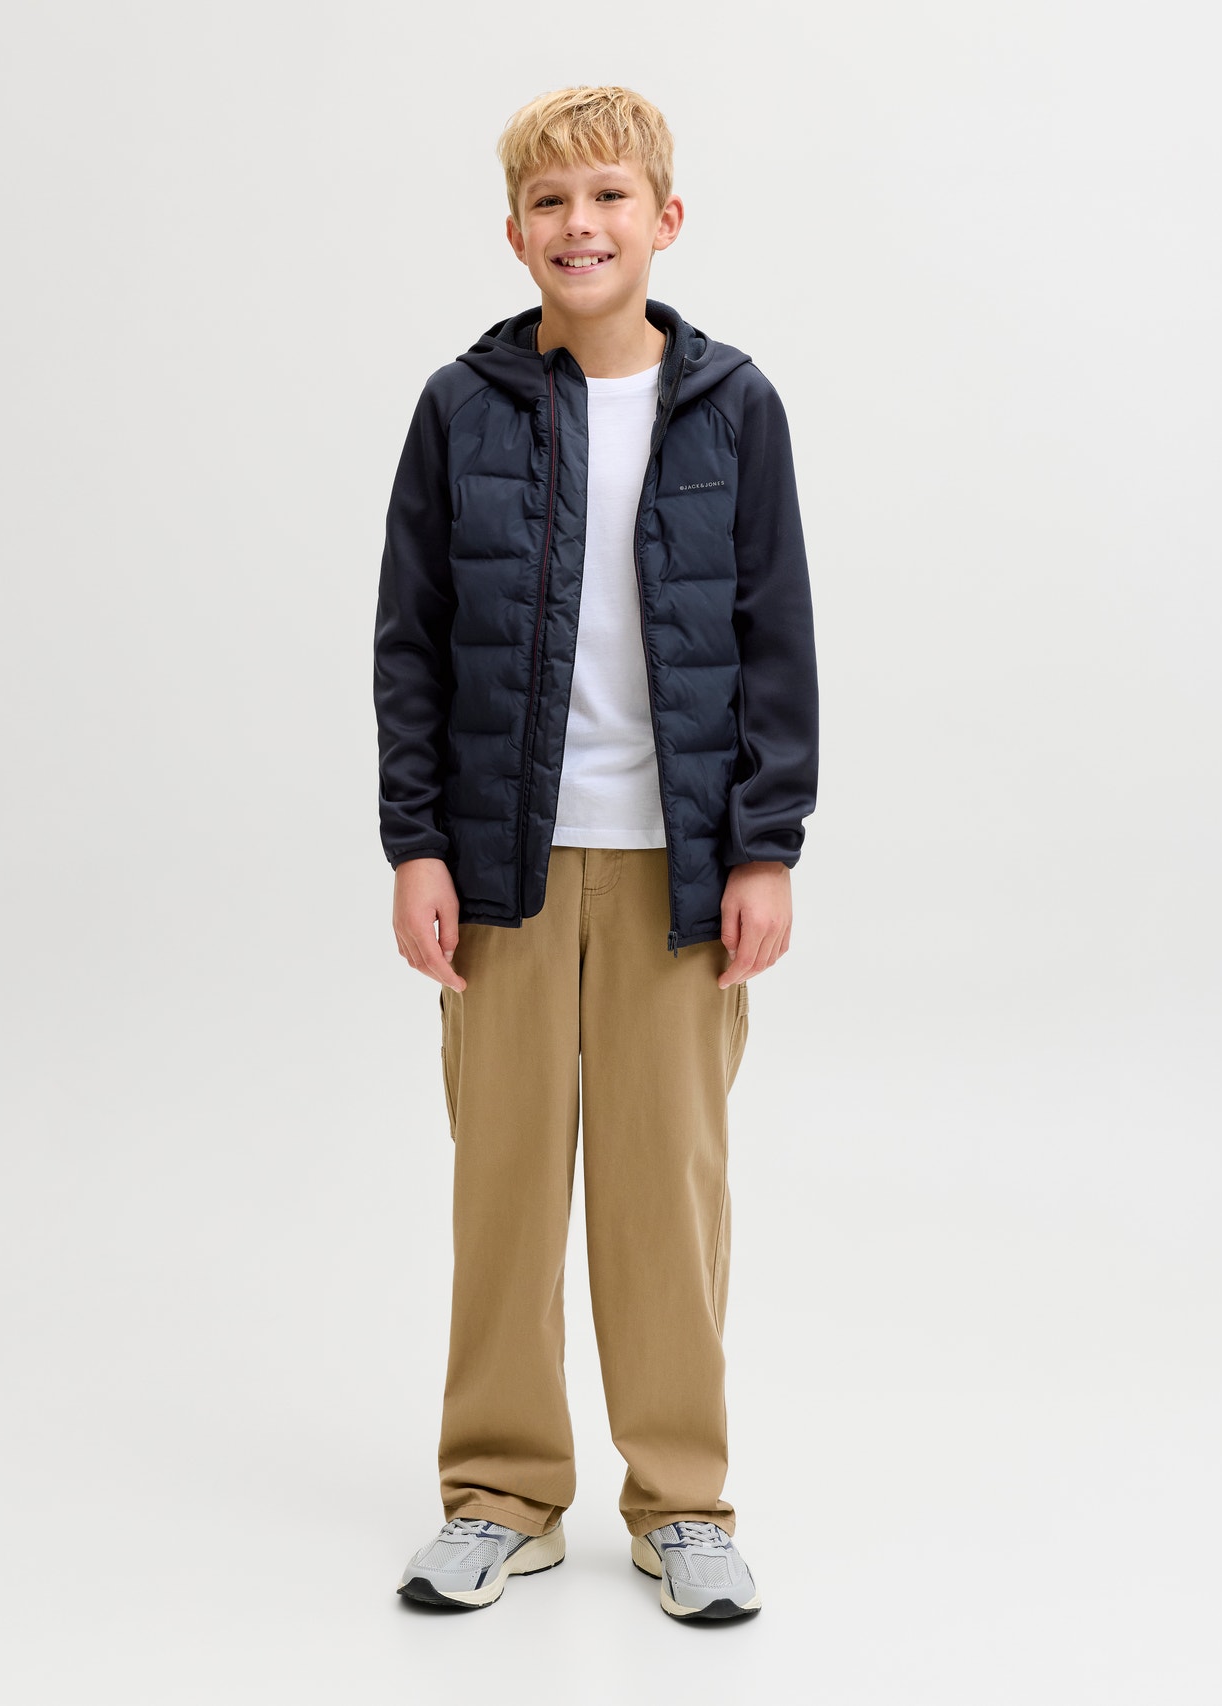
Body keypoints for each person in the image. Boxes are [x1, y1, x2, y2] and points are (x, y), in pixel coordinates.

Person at [373, 84, 818, 1621]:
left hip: (679, 875)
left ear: (664, 219)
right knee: (502, 1190)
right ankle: (499, 1493)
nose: (582, 225)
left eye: (610, 196)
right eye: (551, 202)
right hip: (502, 866)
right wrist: (416, 846)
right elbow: (413, 644)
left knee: (664, 1198)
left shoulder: (737, 407)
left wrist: (765, 847)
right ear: (515, 233)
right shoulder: (461, 408)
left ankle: (682, 1501)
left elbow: (776, 640)